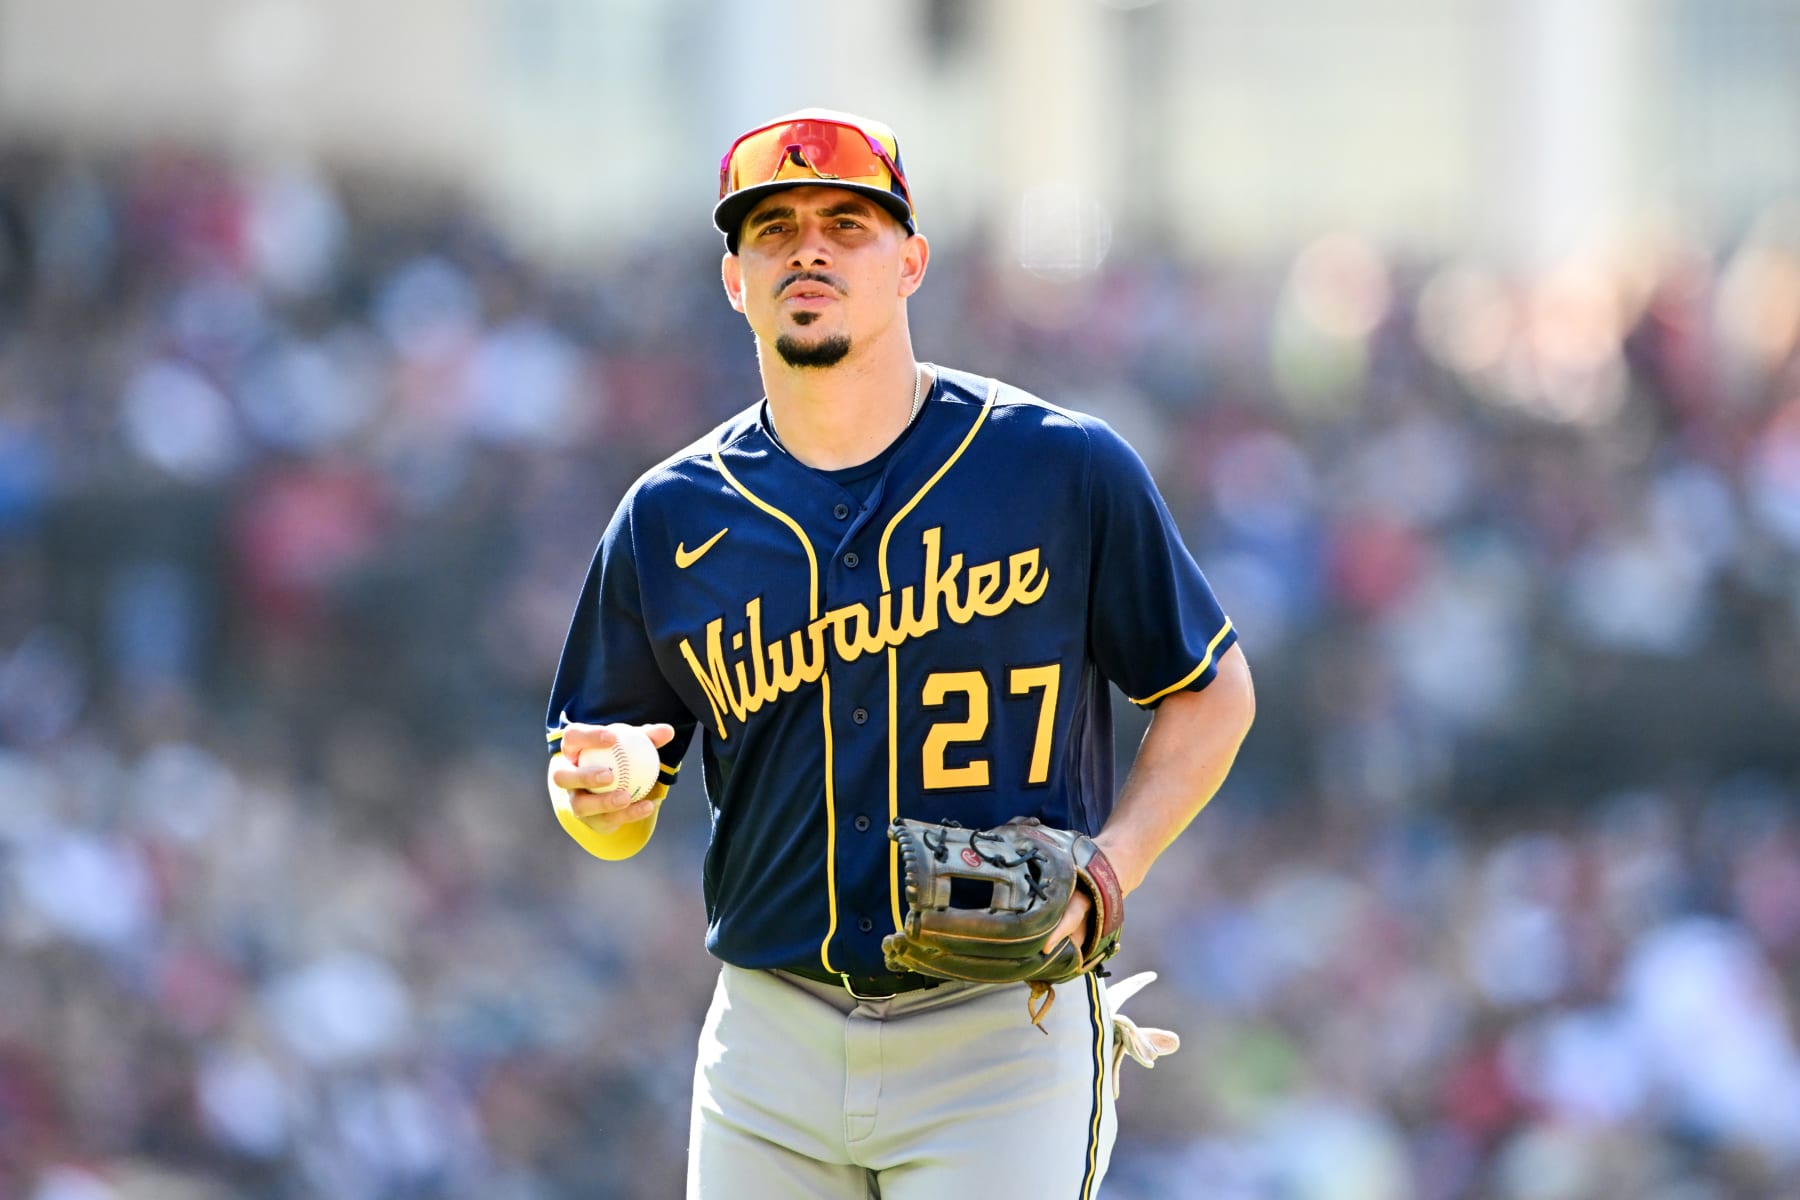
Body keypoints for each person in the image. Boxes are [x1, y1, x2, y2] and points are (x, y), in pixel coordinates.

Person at [545, 108, 1256, 1198]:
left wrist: (1111, 869)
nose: (810, 249)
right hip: (770, 1036)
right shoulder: (667, 517)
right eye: (773, 229)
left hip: (995, 1034)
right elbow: (610, 808)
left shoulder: (1059, 469)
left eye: (848, 222)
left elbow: (1213, 694)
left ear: (910, 261)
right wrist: (608, 799)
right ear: (735, 277)